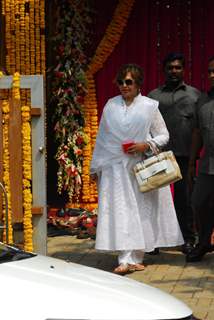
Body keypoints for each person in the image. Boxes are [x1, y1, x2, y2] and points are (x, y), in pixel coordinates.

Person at [90, 63, 184, 274]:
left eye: (129, 82)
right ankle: (123, 258)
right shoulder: (110, 105)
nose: (124, 86)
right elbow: (102, 138)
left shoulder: (149, 106)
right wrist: (96, 167)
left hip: (141, 167)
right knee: (121, 211)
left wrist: (146, 145)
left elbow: (163, 135)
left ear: (138, 83)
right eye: (121, 82)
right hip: (115, 169)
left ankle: (137, 257)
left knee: (141, 212)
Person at [148, 53, 200, 254]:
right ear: (164, 70)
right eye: (170, 68)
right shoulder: (153, 96)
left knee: (184, 200)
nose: (174, 71)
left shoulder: (194, 95)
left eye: (177, 67)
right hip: (158, 156)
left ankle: (188, 239)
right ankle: (153, 241)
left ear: (184, 70)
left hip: (184, 156)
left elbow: (199, 127)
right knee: (156, 200)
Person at [186, 56, 214, 262]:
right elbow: (197, 132)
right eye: (210, 71)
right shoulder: (202, 100)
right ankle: (204, 242)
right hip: (208, 164)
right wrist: (191, 162)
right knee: (198, 202)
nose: (212, 75)